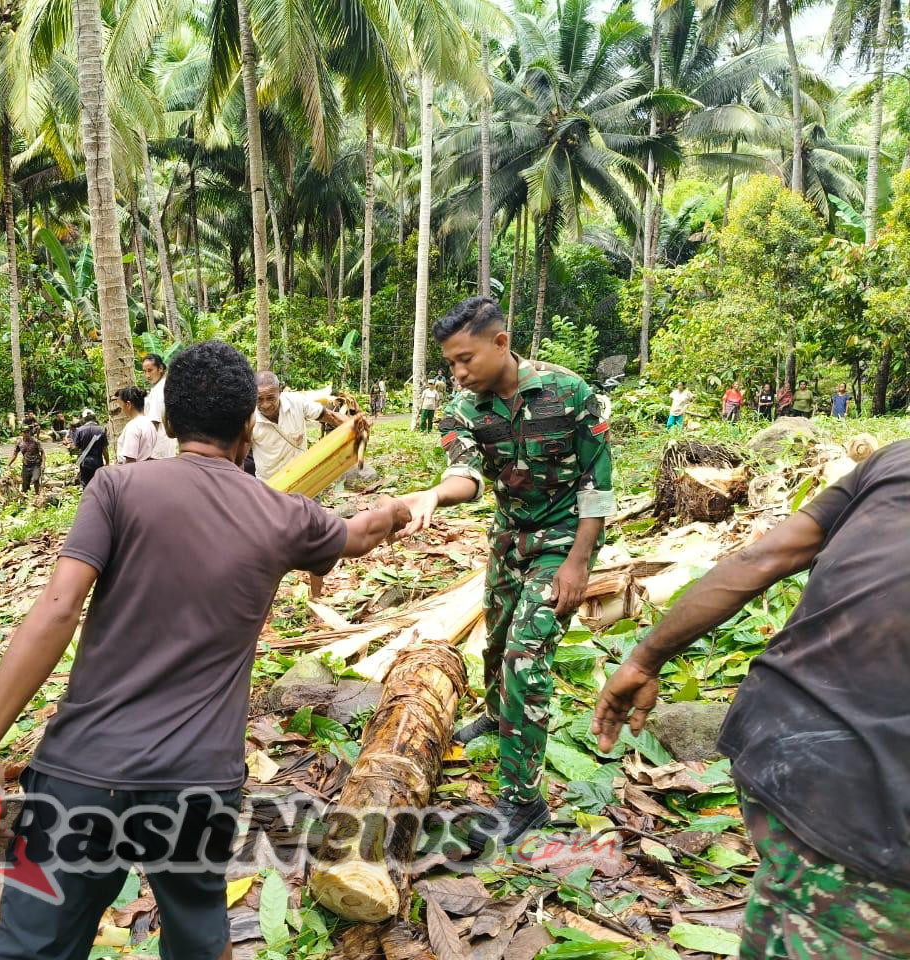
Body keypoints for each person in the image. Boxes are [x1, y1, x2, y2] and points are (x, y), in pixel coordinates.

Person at [0, 340, 412, 960]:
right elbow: (359, 535)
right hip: (197, 782)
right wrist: (398, 511)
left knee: (34, 945)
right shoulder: (283, 515)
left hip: (84, 772)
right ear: (248, 425)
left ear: (167, 422)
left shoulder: (117, 490)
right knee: (200, 938)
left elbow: (58, 608)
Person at [592, 442, 910, 960]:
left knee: (786, 915)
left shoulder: (896, 458)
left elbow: (761, 556)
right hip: (865, 799)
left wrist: (643, 659)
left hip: (774, 735)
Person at [396, 296, 614, 843]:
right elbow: (466, 477)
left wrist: (578, 564)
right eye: (449, 363)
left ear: (501, 342)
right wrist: (431, 495)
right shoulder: (463, 411)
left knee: (524, 653)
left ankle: (522, 800)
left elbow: (597, 484)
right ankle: (497, 717)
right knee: (495, 641)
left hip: (562, 541)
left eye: (465, 359)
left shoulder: (571, 394)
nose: (458, 372)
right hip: (508, 539)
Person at [250, 372, 347, 481]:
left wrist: (355, 424)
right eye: (259, 399)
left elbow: (332, 417)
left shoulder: (296, 402)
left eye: (271, 398)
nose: (265, 405)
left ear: (280, 391)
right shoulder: (248, 418)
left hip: (302, 478)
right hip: (269, 484)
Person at [142, 353, 178, 460]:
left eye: (150, 370)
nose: (147, 375)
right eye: (144, 371)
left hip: (157, 449)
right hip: (166, 446)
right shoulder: (164, 386)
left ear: (160, 368)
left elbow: (154, 422)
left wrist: (145, 450)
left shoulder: (159, 390)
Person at [113, 387, 155, 464]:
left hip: (133, 471)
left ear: (128, 404)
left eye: (121, 405)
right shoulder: (149, 423)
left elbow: (130, 460)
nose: (121, 409)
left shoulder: (133, 426)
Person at [69, 410, 108, 488]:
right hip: (98, 462)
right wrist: (107, 462)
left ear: (84, 419)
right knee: (98, 485)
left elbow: (76, 447)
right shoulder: (102, 429)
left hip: (84, 463)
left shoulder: (80, 430)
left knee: (86, 486)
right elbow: (104, 449)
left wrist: (70, 448)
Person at [8, 427, 47, 501]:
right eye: (24, 432)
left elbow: (42, 453)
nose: (26, 434)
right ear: (22, 433)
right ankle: (26, 499)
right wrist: (9, 464)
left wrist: (43, 464)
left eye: (28, 432)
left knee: (35, 479)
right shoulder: (19, 443)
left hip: (36, 464)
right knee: (25, 484)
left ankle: (37, 494)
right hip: (26, 465)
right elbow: (15, 454)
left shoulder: (35, 441)